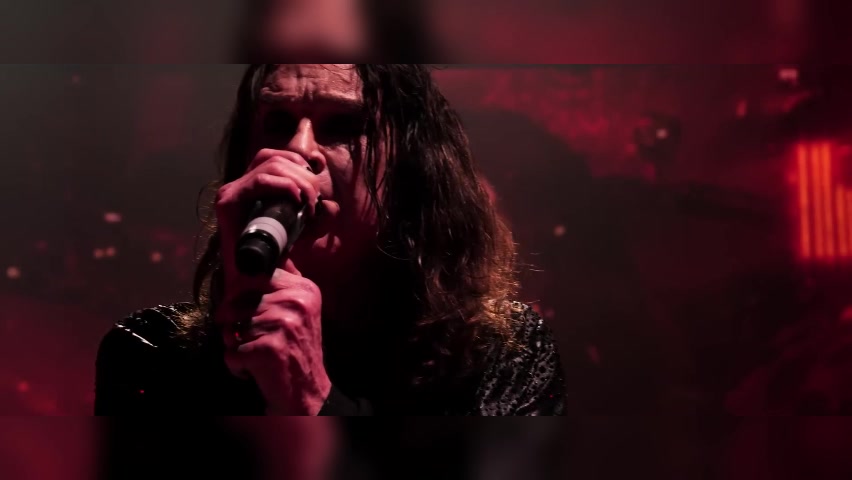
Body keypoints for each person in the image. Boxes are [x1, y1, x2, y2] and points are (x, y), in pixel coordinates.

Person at [94, 64, 566, 415]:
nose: (298, 149)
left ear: (411, 168)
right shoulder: (148, 355)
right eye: (278, 123)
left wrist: (312, 400)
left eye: (343, 127)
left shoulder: (503, 357)